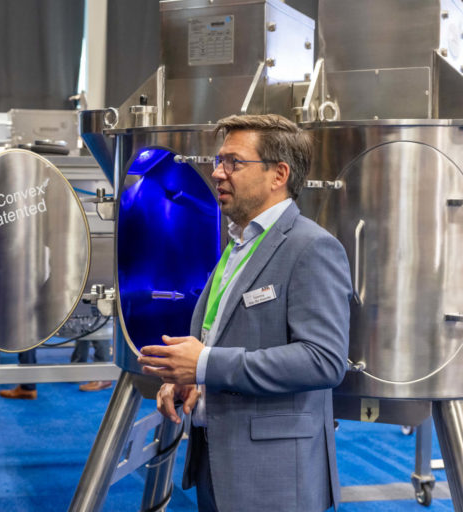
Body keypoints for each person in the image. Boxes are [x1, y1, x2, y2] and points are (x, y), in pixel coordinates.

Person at [138, 114, 352, 512]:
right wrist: (193, 380)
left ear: (278, 175)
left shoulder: (311, 248)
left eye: (234, 162)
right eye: (219, 161)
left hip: (273, 477)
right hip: (218, 461)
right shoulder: (240, 243)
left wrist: (205, 364)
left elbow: (323, 361)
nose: (218, 173)